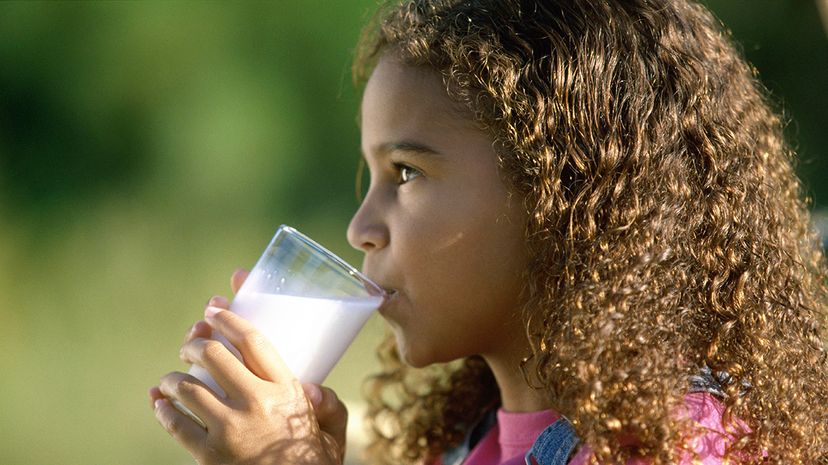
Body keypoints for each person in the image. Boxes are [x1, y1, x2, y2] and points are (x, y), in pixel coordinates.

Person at [149, 0, 828, 464]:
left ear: (560, 193)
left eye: (407, 173)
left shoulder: (684, 443)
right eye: (371, 176)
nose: (361, 227)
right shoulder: (471, 445)